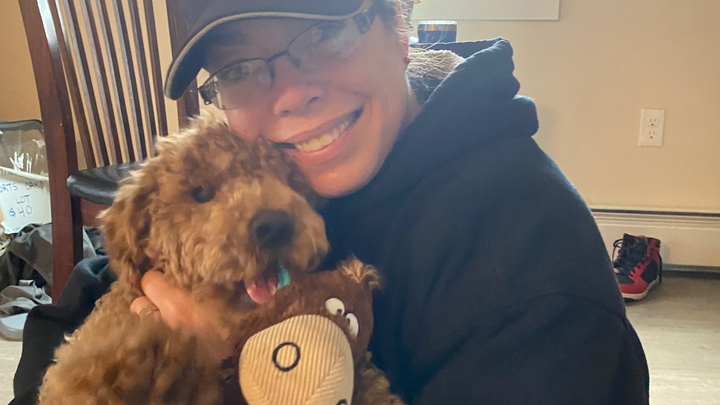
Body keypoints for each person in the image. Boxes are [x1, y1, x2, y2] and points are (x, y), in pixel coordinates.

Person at [11, 0, 650, 404]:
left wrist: (226, 355)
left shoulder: (530, 258)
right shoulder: (274, 177)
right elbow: (87, 299)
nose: (290, 94)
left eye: (326, 32)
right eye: (238, 70)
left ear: (397, 27)